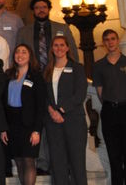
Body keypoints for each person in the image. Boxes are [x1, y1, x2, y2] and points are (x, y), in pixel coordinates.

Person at [93, 29, 126, 185]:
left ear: (118, 40)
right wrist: (111, 105)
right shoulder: (99, 66)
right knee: (114, 157)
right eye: (106, 39)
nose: (110, 42)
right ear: (103, 43)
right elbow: (100, 92)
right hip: (109, 112)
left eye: (113, 38)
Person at [44, 34, 87, 185]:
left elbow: (80, 94)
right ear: (52, 49)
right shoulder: (47, 70)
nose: (59, 48)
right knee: (57, 163)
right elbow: (44, 95)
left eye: (62, 45)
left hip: (73, 120)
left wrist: (61, 111)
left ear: (68, 48)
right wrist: (51, 111)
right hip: (53, 122)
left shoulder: (77, 68)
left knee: (77, 163)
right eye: (56, 45)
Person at [2, 44, 46, 185]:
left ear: (29, 56)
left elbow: (41, 106)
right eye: (17, 52)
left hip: (29, 124)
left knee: (28, 160)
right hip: (12, 124)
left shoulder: (36, 76)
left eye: (24, 52)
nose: (20, 55)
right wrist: (3, 127)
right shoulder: (8, 75)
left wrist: (37, 130)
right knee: (19, 161)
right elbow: (2, 103)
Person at [17, 0, 79, 71]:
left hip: (59, 71)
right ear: (33, 11)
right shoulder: (23, 32)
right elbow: (18, 55)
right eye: (37, 8)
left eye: (44, 7)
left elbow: (72, 51)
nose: (41, 10)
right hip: (33, 73)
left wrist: (75, 69)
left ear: (49, 9)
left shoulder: (63, 28)